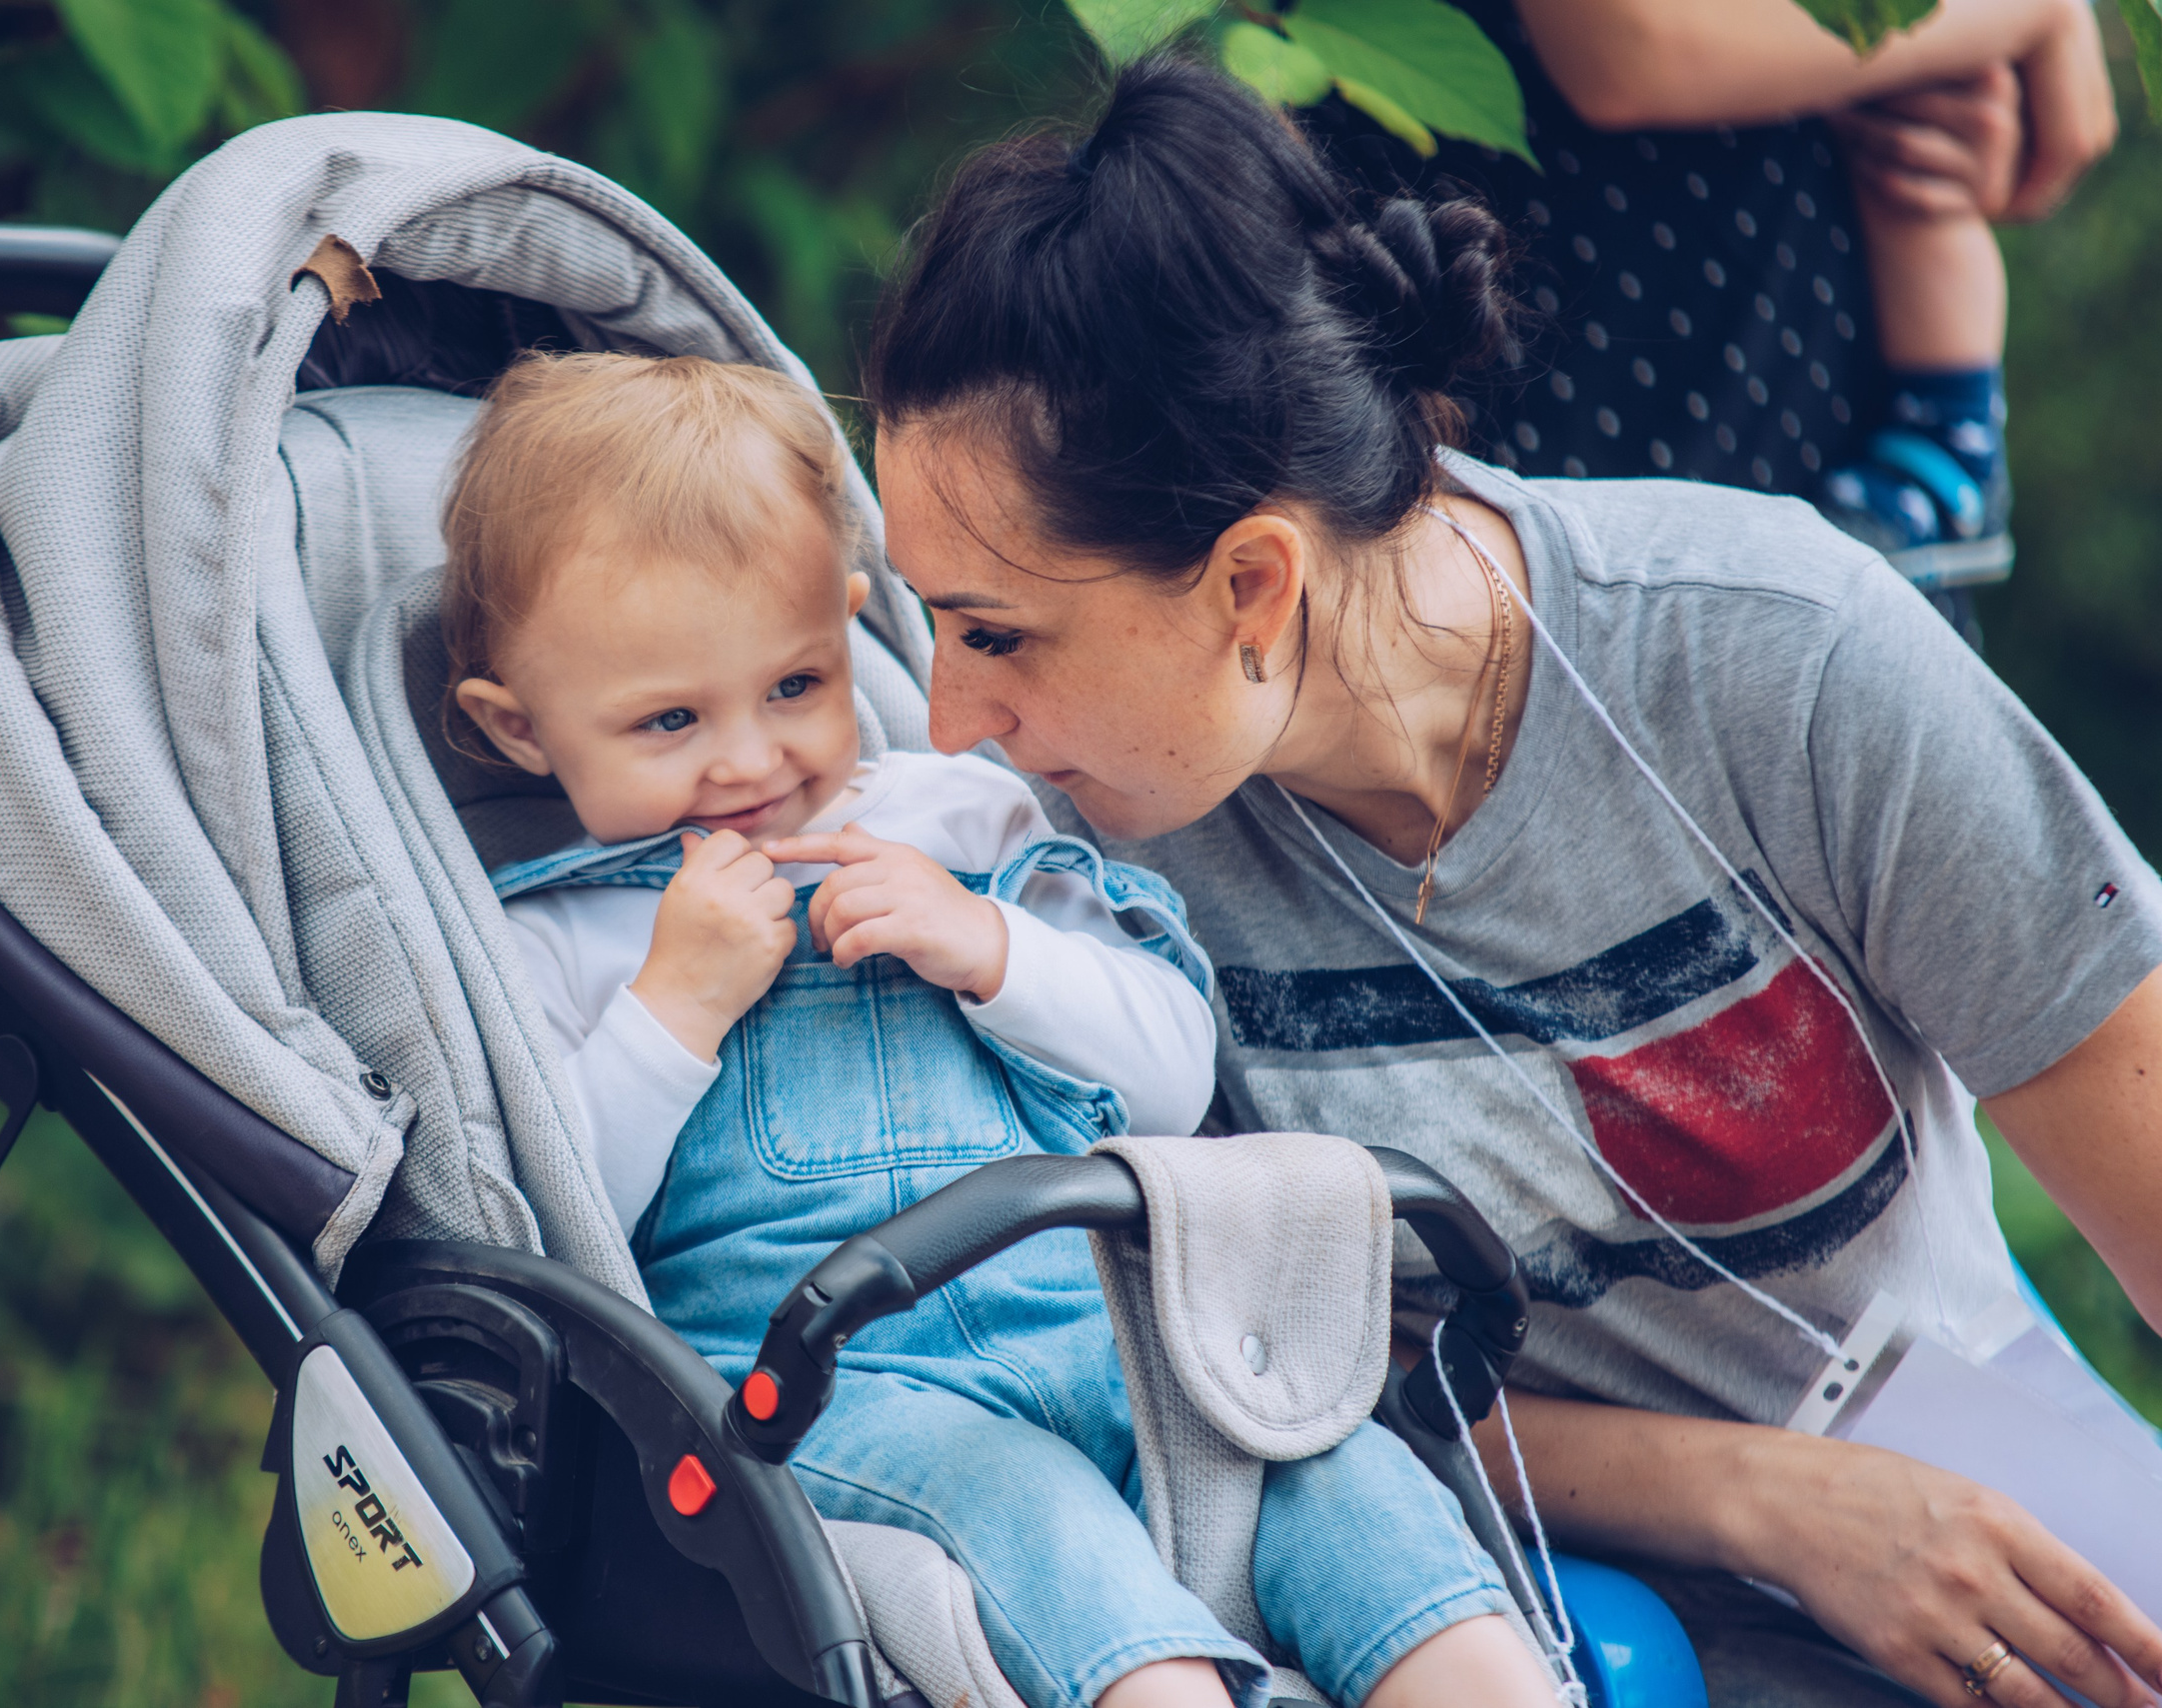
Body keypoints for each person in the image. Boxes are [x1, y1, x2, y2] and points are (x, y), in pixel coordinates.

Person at [863, 53, 2162, 1708]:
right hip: (1497, 1613)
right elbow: (1239, 1381)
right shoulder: (1060, 873)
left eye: (994, 633)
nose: (950, 718)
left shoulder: (1780, 661)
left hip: (2003, 1537)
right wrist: (1776, 1501)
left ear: (1253, 583)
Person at [438, 351, 1553, 1708]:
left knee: (1337, 1471)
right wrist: (672, 1010)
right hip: (840, 1400)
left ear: (849, 626)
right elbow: (553, 1229)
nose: (749, 760)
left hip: (1119, 1339)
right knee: (1032, 1517)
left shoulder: (968, 822)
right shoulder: (559, 943)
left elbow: (1170, 1079)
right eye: (669, 719)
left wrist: (995, 949)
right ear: (520, 729)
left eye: (794, 685)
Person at [1359, 0, 2115, 642]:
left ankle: (1949, 433)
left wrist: (1987, 56)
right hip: (1609, 382)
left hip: (1799, 419)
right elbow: (1628, 43)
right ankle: (1948, 437)